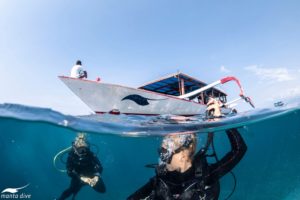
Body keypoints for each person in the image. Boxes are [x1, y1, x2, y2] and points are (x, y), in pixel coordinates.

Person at [127, 102, 247, 200]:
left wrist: (221, 120)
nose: (161, 158)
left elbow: (239, 150)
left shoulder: (206, 176)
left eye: (165, 153)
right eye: (161, 152)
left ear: (183, 156)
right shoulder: (161, 180)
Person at [58, 133, 105, 200]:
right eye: (80, 150)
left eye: (84, 150)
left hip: (92, 176)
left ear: (87, 148)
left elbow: (99, 166)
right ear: (76, 149)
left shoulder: (90, 154)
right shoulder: (72, 156)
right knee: (71, 190)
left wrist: (97, 176)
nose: (83, 152)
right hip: (78, 177)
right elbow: (69, 172)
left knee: (102, 190)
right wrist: (82, 178)